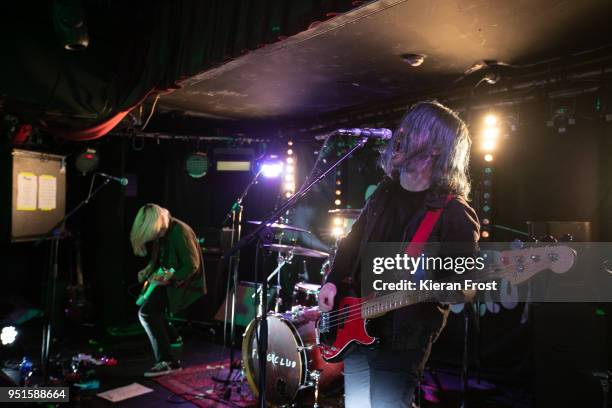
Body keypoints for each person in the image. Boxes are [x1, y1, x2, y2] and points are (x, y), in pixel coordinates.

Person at [318, 101, 480, 407]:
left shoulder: (454, 212)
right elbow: (352, 241)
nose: (401, 132)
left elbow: (463, 285)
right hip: (356, 325)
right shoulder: (383, 193)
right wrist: (333, 280)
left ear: (435, 149)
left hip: (402, 338)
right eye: (404, 124)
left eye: (414, 129)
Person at [130, 204, 206, 377]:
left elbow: (192, 266)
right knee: (150, 310)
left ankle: (168, 362)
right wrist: (149, 269)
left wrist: (168, 278)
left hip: (182, 281)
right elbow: (160, 258)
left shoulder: (180, 232)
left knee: (147, 313)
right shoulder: (162, 229)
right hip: (168, 279)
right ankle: (172, 337)